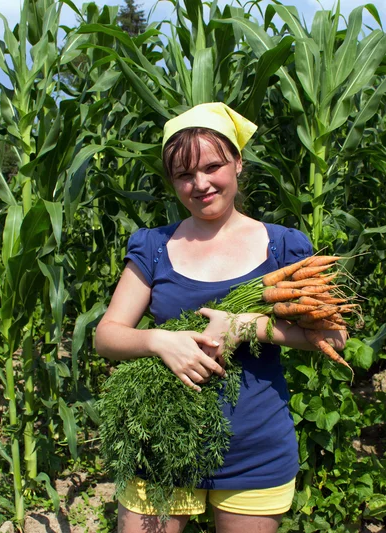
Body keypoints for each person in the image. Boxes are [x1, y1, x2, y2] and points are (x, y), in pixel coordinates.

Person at [94, 103, 347, 533]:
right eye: (184, 175)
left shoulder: (283, 247)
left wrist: (245, 326)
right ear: (172, 181)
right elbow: (106, 336)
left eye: (213, 166)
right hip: (159, 446)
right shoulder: (153, 246)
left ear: (238, 163)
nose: (200, 184)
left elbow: (335, 336)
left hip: (255, 449)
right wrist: (159, 341)